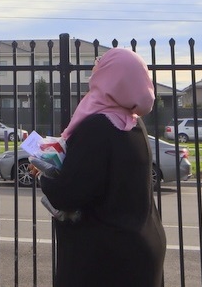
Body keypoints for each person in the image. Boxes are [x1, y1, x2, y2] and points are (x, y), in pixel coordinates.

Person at [37, 48, 166, 287]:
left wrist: (46, 178)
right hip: (141, 248)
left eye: (100, 64)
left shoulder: (99, 126)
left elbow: (69, 193)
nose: (94, 71)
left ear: (113, 76)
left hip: (106, 259)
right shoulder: (134, 125)